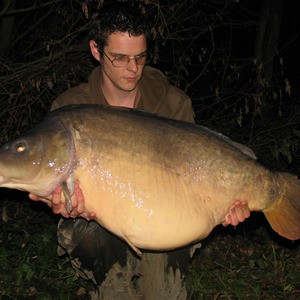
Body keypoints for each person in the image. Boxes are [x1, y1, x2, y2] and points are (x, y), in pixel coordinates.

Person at [29, 2, 250, 299]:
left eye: (140, 57)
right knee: (82, 230)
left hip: (164, 219)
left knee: (162, 293)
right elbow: (57, 181)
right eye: (119, 58)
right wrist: (60, 203)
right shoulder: (69, 110)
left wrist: (224, 204)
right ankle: (112, 286)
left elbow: (198, 178)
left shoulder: (174, 104)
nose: (133, 69)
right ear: (96, 50)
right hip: (100, 226)